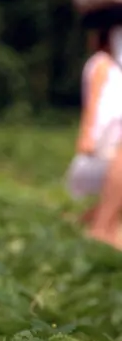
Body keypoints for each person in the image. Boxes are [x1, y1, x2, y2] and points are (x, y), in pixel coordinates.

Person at [66, 28, 122, 207]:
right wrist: (87, 135)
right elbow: (93, 101)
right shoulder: (102, 63)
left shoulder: (114, 64)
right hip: (102, 139)